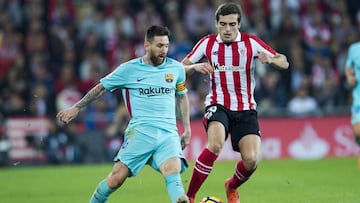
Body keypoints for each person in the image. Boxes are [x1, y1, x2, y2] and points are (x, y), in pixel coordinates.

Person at [56, 25, 191, 203]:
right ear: (147, 45)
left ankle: (180, 199)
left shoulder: (176, 69)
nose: (163, 50)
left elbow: (182, 97)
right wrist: (76, 107)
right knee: (115, 179)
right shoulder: (129, 69)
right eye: (159, 46)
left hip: (168, 133)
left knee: (172, 171)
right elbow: (100, 89)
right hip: (140, 133)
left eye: (166, 46)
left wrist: (187, 129)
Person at [181, 3, 289, 203]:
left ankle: (231, 186)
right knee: (215, 145)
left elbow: (284, 61)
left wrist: (272, 60)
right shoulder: (207, 43)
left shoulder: (251, 43)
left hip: (246, 108)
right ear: (216, 24)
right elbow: (180, 69)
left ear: (239, 24)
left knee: (251, 160)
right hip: (218, 103)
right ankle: (189, 197)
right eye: (223, 24)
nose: (227, 29)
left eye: (232, 24)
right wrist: (195, 66)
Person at [344, 41, 360, 166]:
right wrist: (350, 77)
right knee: (358, 132)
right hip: (358, 96)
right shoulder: (354, 48)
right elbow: (349, 67)